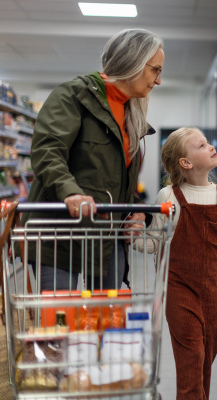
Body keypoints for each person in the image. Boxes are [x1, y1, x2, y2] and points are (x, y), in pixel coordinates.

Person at [21, 28, 164, 291]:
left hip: (106, 238)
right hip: (59, 235)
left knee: (107, 322)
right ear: (133, 61)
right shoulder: (73, 96)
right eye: (155, 70)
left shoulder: (132, 115)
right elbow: (47, 151)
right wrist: (70, 192)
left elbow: (113, 179)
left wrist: (138, 210)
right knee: (60, 326)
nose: (158, 80)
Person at [142, 126, 217, 399]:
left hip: (212, 293)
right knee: (192, 359)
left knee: (204, 363)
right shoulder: (168, 198)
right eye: (201, 145)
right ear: (185, 163)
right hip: (177, 290)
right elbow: (153, 243)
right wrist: (132, 236)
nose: (210, 146)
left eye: (208, 142)